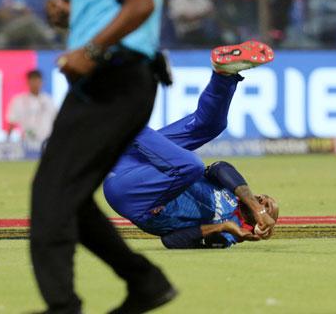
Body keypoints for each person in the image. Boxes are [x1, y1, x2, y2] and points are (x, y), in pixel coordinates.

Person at [30, 0, 169, 314]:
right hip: (122, 80)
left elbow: (141, 4)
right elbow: (125, 9)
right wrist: (72, 19)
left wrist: (89, 48)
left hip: (113, 81)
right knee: (68, 195)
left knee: (51, 193)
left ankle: (63, 306)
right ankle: (144, 282)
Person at [104, 40, 278, 249]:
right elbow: (219, 168)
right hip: (136, 162)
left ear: (261, 226)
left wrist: (225, 229)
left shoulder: (232, 230)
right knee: (211, 126)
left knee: (191, 166)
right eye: (265, 199)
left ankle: (116, 111)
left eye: (268, 206)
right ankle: (224, 74)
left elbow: (171, 240)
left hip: (134, 197)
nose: (264, 200)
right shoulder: (233, 191)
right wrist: (254, 206)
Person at [5, 69, 56, 148]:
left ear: (42, 82)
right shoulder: (19, 101)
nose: (35, 84)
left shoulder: (49, 101)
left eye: (37, 80)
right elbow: (12, 122)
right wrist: (7, 142)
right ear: (28, 82)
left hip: (47, 141)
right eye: (33, 80)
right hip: (27, 142)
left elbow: (56, 121)